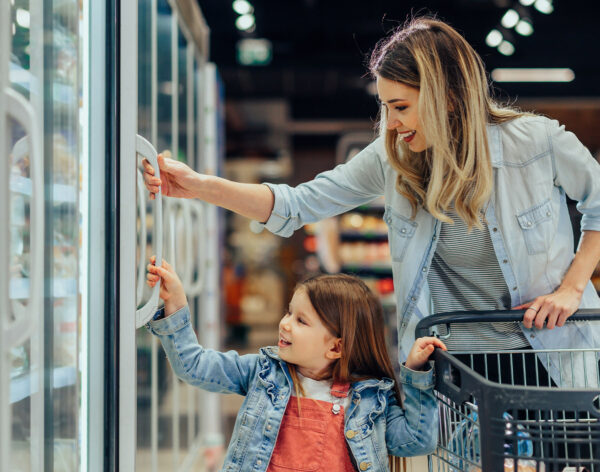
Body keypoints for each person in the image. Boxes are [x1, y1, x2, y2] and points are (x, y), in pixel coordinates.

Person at [143, 15, 600, 388]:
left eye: (401, 106)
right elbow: (298, 204)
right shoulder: (392, 156)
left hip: (553, 351)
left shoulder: (535, 142)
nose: (392, 123)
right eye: (385, 107)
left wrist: (572, 288)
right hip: (459, 364)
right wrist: (199, 186)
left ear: (449, 97)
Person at [145, 257, 446, 472]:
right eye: (289, 313)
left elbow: (417, 440)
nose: (285, 324)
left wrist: (416, 376)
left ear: (336, 347)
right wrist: (177, 305)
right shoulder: (263, 373)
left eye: (301, 320)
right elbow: (195, 366)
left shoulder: (369, 400)